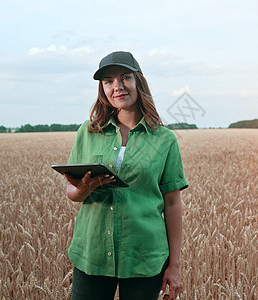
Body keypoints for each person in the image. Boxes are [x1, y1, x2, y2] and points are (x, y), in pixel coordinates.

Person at [64, 51, 188, 300]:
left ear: (138, 82)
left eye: (125, 78)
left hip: (144, 257)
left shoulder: (164, 140)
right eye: (108, 81)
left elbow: (172, 203)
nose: (117, 87)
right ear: (102, 89)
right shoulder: (87, 133)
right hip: (93, 253)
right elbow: (72, 191)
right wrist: (82, 190)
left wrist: (174, 266)